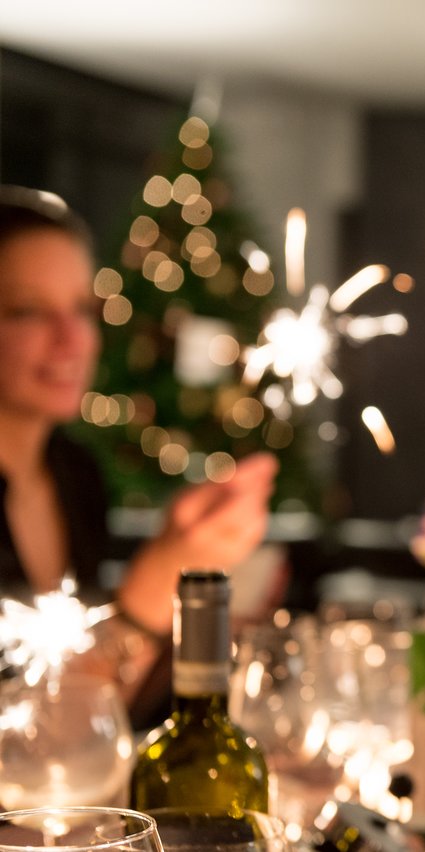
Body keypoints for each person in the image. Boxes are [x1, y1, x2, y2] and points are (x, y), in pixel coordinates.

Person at [0, 186, 278, 722]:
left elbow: (94, 712)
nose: (71, 338)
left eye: (82, 307)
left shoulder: (75, 475)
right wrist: (149, 595)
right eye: (28, 310)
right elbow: (28, 734)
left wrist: (196, 619)